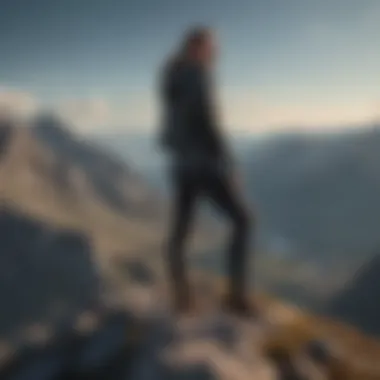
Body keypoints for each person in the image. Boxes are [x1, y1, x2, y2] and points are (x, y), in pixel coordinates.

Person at [158, 26, 256, 317]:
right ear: (198, 48)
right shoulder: (198, 74)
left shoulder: (171, 76)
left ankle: (181, 297)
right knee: (244, 221)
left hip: (181, 166)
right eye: (211, 46)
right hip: (204, 166)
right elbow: (209, 123)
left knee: (180, 232)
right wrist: (228, 165)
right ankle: (236, 297)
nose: (215, 52)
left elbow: (174, 126)